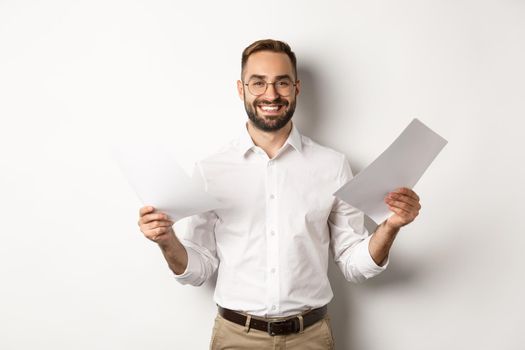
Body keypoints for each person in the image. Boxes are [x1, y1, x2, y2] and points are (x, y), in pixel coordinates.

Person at [137, 39, 421, 350]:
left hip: (310, 338)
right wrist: (166, 240)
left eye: (281, 82)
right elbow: (197, 271)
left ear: (296, 88)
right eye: (258, 83)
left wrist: (390, 226)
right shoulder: (210, 170)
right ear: (240, 88)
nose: (270, 95)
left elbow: (354, 264)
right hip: (235, 338)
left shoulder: (333, 166)